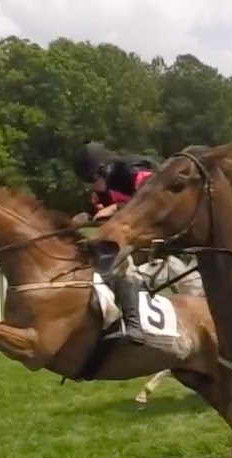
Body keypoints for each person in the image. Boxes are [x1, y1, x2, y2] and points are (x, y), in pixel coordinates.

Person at [71, 141, 158, 343]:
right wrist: (82, 217)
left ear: (105, 169)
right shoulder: (102, 187)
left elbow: (151, 204)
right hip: (136, 231)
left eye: (91, 179)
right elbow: (97, 212)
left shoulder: (134, 172)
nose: (90, 186)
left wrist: (113, 209)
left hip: (163, 228)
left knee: (118, 257)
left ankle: (134, 326)